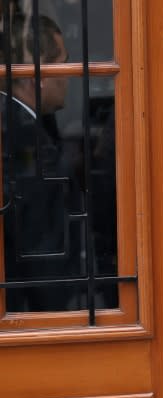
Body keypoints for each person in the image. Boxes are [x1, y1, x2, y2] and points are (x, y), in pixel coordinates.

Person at [1, 13, 75, 311]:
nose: (71, 73)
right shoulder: (25, 138)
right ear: (38, 74)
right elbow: (41, 251)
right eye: (64, 62)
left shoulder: (17, 124)